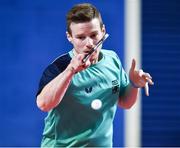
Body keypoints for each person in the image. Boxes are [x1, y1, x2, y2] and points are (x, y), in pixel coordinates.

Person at [36, 3, 154, 147]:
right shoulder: (60, 67)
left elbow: (125, 102)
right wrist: (70, 71)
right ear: (69, 37)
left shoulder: (112, 59)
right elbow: (43, 104)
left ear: (103, 32)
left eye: (94, 35)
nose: (89, 43)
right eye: (80, 37)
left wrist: (134, 84)